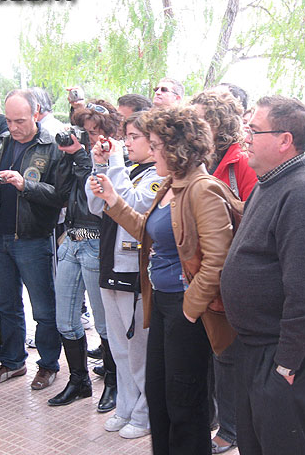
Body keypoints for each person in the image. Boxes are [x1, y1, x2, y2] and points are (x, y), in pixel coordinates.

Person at [90, 106, 239, 455]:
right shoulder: (172, 185)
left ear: (177, 148)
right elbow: (149, 232)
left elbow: (218, 260)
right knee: (159, 398)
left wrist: (189, 309)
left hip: (186, 309)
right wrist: (113, 200)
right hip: (163, 303)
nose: (150, 150)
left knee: (184, 403)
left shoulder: (203, 189)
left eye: (155, 144)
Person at [220, 95, 305, 455]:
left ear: (285, 140)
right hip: (256, 344)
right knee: (255, 443)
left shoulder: (304, 195)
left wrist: (287, 364)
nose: (245, 137)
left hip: (280, 352)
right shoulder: (268, 183)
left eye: (254, 130)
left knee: (283, 444)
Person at [0, 89, 65, 391]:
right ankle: (13, 361)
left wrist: (26, 186)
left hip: (32, 238)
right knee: (5, 305)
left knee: (43, 308)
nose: (13, 127)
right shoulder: (0, 142)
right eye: (9, 120)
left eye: (20, 120)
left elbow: (60, 198)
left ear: (37, 113)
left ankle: (49, 364)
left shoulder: (52, 146)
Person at [86, 111, 163, 438]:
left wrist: (113, 163)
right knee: (118, 348)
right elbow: (96, 205)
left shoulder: (156, 177)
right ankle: (127, 406)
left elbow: (129, 204)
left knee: (139, 350)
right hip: (109, 264)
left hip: (135, 271)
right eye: (126, 137)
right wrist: (99, 166)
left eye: (134, 137)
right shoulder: (124, 168)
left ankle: (145, 413)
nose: (127, 143)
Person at [190, 88, 257, 453]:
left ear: (214, 123)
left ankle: (230, 429)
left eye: (197, 119)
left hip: (229, 275)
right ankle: (218, 418)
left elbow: (254, 218)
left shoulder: (240, 163)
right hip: (202, 273)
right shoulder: (199, 160)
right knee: (214, 355)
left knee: (228, 355)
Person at [46, 101, 120, 412]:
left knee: (104, 325)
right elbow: (60, 191)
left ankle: (114, 384)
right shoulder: (77, 154)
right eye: (85, 132)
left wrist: (81, 156)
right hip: (71, 240)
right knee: (64, 320)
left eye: (93, 133)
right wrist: (72, 155)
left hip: (95, 242)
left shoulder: (115, 157)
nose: (88, 138)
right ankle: (79, 381)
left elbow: (101, 198)